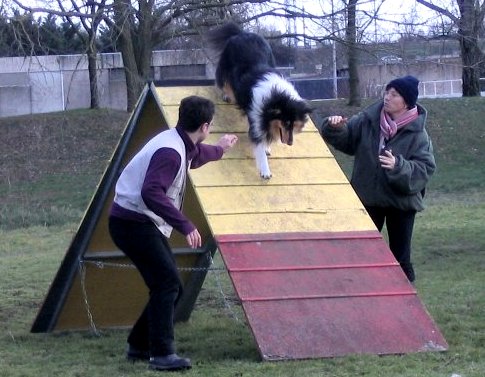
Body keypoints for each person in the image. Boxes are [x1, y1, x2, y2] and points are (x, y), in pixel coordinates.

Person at [108, 95, 238, 371]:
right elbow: (151, 191)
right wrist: (186, 225)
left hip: (136, 222)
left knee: (171, 287)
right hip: (132, 224)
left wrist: (221, 149)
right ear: (205, 126)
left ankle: (139, 344)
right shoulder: (170, 152)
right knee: (167, 284)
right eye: (211, 126)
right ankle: (162, 354)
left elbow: (196, 155)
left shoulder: (178, 141)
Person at [316, 75, 436, 283]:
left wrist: (398, 166)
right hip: (369, 199)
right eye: (386, 92)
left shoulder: (419, 134)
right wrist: (334, 127)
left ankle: (407, 300)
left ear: (406, 102)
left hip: (401, 203)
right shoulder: (368, 119)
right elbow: (347, 141)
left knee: (401, 258)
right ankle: (360, 292)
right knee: (360, 253)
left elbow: (424, 169)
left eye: (394, 94)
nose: (387, 97)